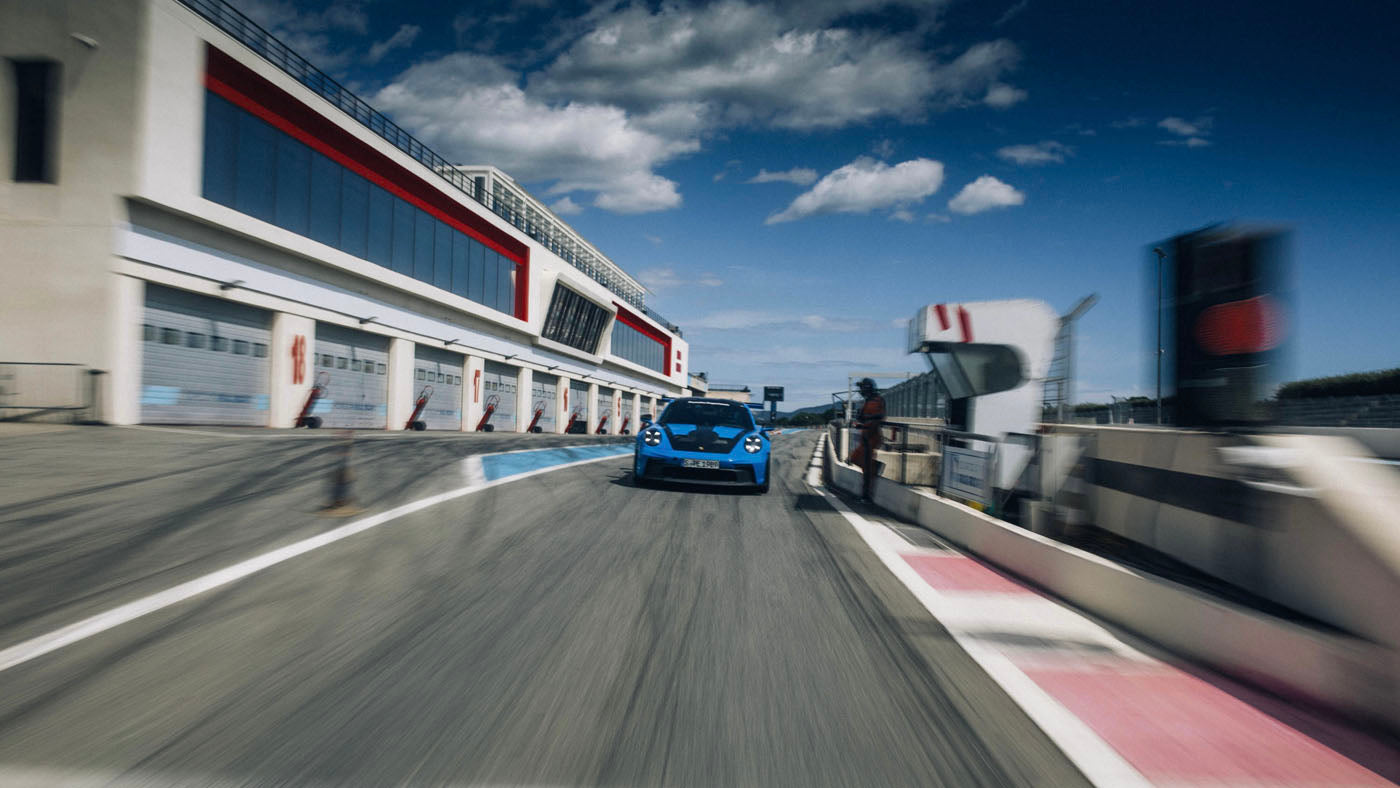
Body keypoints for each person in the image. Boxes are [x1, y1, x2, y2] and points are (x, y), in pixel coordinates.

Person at [852, 377, 886, 502]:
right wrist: (862, 420)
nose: (860, 390)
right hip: (865, 434)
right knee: (855, 458)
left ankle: (866, 495)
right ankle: (874, 467)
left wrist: (865, 421)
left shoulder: (878, 400)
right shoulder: (868, 401)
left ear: (867, 388)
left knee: (866, 467)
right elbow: (862, 417)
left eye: (862, 388)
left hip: (872, 435)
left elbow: (879, 417)